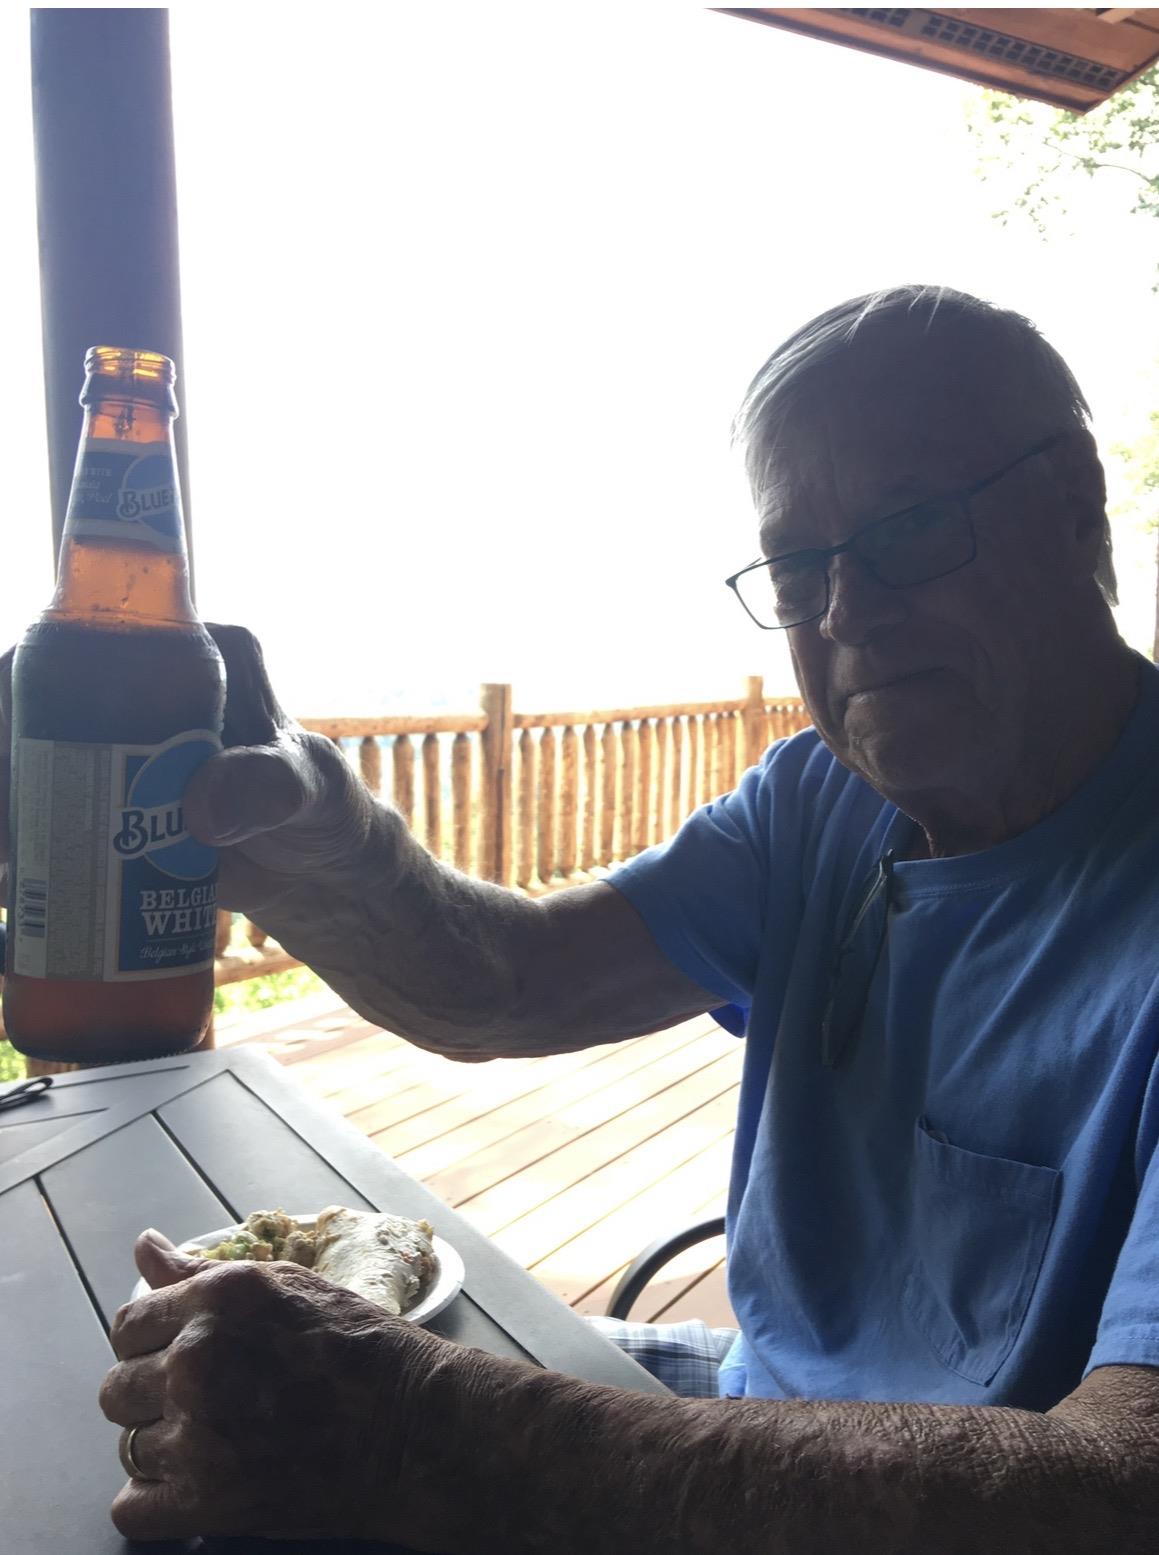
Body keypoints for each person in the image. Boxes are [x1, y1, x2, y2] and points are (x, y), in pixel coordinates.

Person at [5, 284, 1159, 1550]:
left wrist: (421, 1431)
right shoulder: (817, 801)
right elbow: (512, 980)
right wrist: (309, 849)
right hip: (741, 1396)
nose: (846, 611)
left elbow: (1122, 1492)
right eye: (796, 565)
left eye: (912, 526)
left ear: (1074, 507)